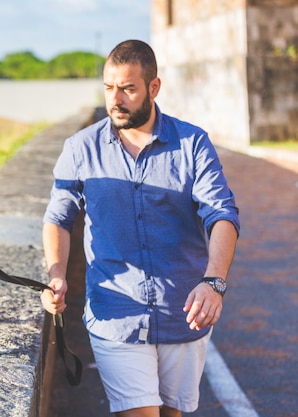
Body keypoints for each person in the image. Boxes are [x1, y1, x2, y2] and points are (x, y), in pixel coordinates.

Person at [40, 39, 240, 417]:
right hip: (115, 311)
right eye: (108, 87)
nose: (115, 98)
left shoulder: (192, 143)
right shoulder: (80, 148)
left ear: (153, 88)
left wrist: (214, 282)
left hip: (183, 310)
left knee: (172, 413)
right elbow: (59, 217)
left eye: (128, 88)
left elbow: (222, 214)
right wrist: (56, 274)